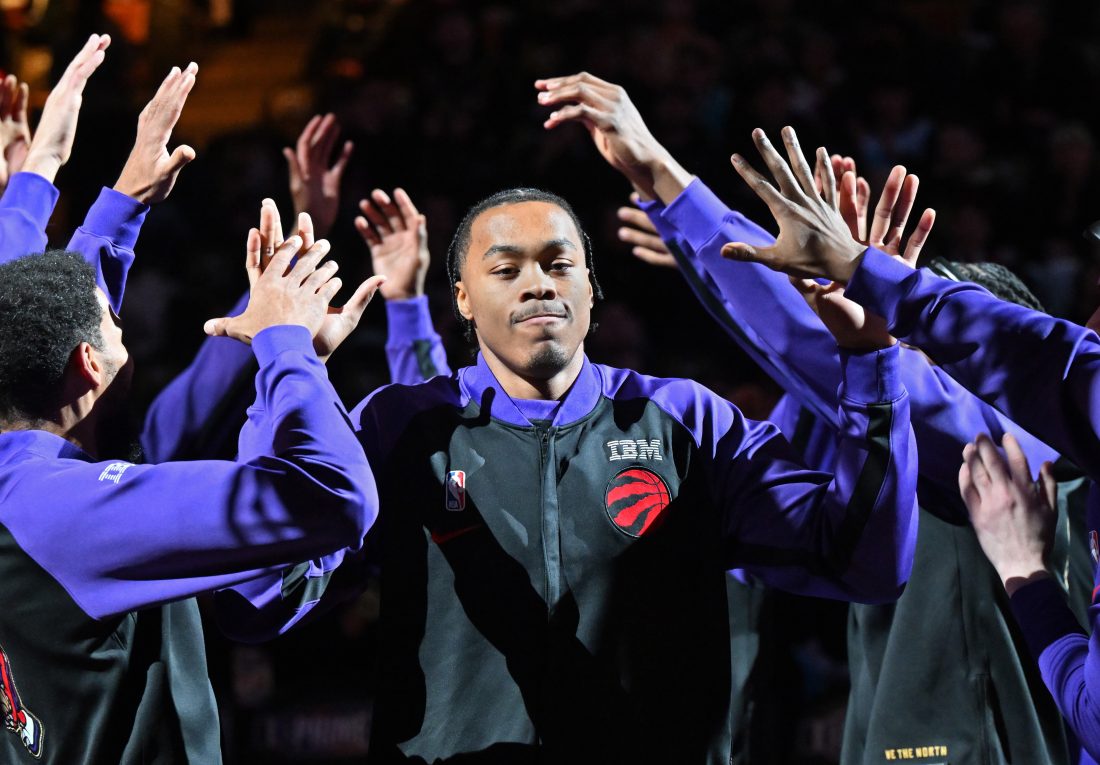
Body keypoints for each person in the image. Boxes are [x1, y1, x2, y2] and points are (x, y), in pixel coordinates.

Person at [215, 161, 918, 760]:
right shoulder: (399, 426)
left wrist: (869, 359)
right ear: (462, 298)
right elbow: (260, 597)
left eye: (559, 264)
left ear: (590, 290)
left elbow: (866, 562)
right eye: (506, 268)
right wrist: (285, 378)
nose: (538, 283)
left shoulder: (688, 421)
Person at [536, 71, 1090, 764]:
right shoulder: (938, 445)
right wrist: (751, 276)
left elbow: (827, 360)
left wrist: (674, 188)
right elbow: (821, 374)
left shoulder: (1014, 453)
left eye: (918, 339)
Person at [0, 194, 384, 762]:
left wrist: (288, 378)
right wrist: (286, 349)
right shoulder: (69, 509)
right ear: (88, 363)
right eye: (117, 327)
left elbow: (262, 596)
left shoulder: (38, 490)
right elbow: (337, 495)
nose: (129, 345)